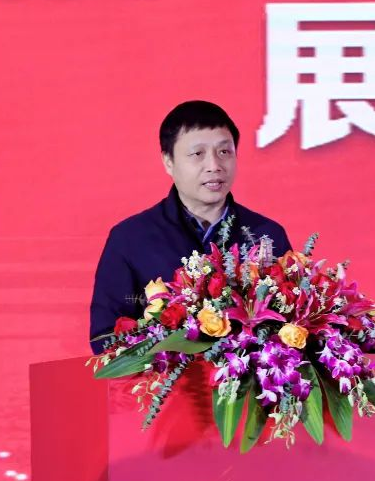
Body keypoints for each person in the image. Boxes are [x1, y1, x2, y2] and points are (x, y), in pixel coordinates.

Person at [89, 100, 292, 353]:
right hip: (163, 378)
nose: (214, 166)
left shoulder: (267, 235)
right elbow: (105, 338)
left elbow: (292, 323)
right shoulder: (129, 239)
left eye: (224, 152)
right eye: (198, 154)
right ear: (168, 161)